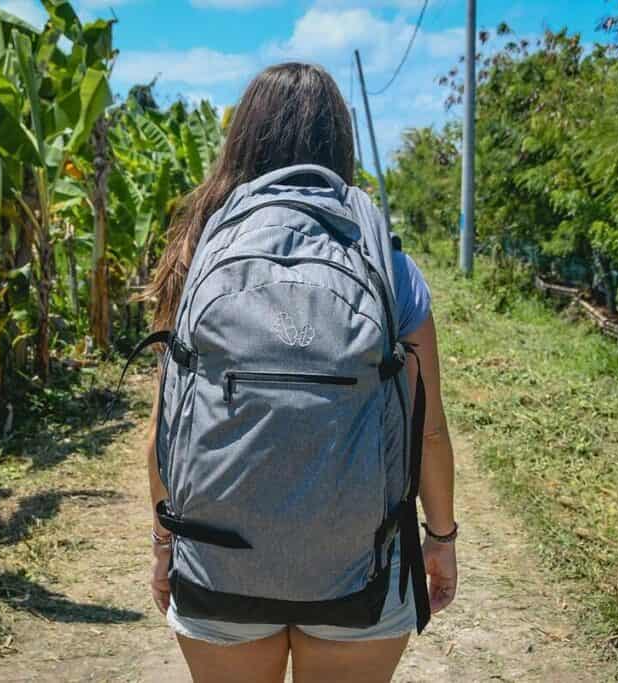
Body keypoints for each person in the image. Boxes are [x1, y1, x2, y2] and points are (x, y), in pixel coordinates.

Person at [140, 62, 458, 683]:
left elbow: (166, 429)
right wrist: (440, 537)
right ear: (341, 144)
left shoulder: (197, 253)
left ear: (242, 142)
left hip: (216, 566)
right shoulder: (390, 267)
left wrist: (163, 546)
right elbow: (428, 431)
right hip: (361, 568)